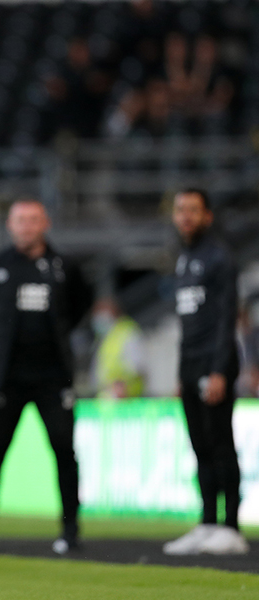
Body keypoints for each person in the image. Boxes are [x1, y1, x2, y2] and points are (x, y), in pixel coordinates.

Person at [0, 199, 92, 555]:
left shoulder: (64, 266)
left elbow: (81, 305)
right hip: (6, 378)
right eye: (20, 220)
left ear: (45, 223)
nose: (26, 226)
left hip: (54, 377)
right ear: (9, 224)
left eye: (33, 219)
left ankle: (71, 529)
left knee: (64, 451)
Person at [163, 188, 249, 555]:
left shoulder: (219, 258)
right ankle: (208, 522)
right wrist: (183, 373)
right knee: (200, 447)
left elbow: (224, 321)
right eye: (180, 209)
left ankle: (231, 527)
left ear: (207, 216)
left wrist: (217, 371)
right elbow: (188, 324)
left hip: (216, 363)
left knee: (220, 444)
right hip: (192, 363)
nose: (185, 216)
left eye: (193, 210)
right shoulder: (184, 258)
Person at [90, 296, 146, 399]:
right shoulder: (106, 337)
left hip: (127, 398)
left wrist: (121, 383)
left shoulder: (128, 332)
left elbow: (137, 365)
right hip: (108, 397)